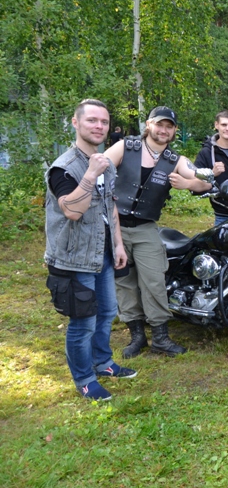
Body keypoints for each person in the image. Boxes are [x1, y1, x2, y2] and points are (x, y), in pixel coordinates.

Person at [44, 99, 135, 401]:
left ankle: (103, 362)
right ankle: (84, 379)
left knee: (107, 312)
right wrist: (90, 173)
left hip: (101, 253)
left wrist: (118, 244)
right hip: (74, 258)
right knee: (83, 323)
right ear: (76, 122)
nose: (99, 126)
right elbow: (72, 210)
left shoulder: (104, 163)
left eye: (104, 122)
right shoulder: (64, 168)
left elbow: (110, 205)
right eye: (92, 120)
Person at [105, 106, 212, 358]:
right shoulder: (125, 147)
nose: (163, 130)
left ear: (174, 131)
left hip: (145, 228)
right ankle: (137, 336)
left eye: (169, 127)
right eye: (159, 124)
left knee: (154, 281)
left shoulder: (175, 160)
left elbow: (204, 181)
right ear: (149, 124)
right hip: (115, 226)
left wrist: (187, 183)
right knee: (124, 282)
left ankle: (161, 338)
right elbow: (98, 167)